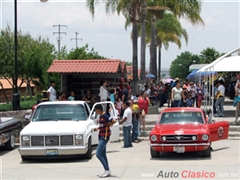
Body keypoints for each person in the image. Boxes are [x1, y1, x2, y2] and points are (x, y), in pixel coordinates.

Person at [93, 104, 116, 177]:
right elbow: (103, 125)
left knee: (98, 154)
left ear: (98, 110)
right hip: (101, 135)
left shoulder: (105, 116)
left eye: (96, 110)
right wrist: (98, 128)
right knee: (103, 154)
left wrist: (110, 124)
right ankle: (107, 170)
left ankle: (107, 169)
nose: (96, 112)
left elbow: (113, 120)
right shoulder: (101, 117)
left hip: (104, 136)